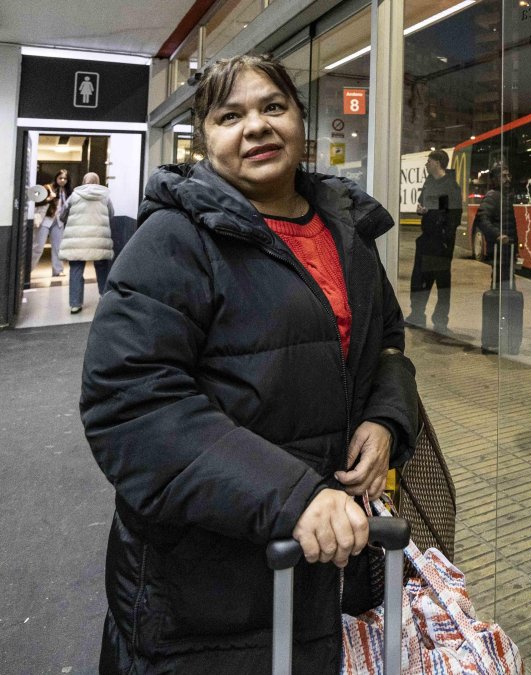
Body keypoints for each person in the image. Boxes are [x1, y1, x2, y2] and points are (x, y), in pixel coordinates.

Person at [80, 54, 420, 673]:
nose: (256, 126)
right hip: (205, 592)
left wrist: (385, 419)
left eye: (273, 107)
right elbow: (130, 406)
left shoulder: (346, 230)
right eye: (230, 116)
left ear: (300, 119)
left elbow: (388, 343)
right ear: (204, 140)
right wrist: (294, 497)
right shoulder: (174, 240)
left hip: (329, 564)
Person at [408, 149, 463, 331]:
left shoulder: (451, 186)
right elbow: (423, 202)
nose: (426, 164)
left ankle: (440, 321)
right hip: (427, 239)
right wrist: (421, 210)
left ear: (437, 163)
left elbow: (453, 215)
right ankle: (417, 315)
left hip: (441, 242)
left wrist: (445, 238)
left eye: (429, 161)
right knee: (420, 279)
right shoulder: (429, 182)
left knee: (442, 283)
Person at [59, 172, 115, 313]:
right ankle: (104, 296)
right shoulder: (104, 196)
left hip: (77, 238)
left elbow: (63, 214)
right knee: (102, 268)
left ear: (84, 181)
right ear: (98, 181)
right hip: (99, 237)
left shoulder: (75, 195)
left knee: (76, 269)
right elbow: (111, 214)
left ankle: (75, 304)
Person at [474, 162, 517, 265]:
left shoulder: (505, 196)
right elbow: (481, 219)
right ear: (495, 179)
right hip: (498, 250)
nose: (508, 179)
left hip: (507, 250)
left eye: (509, 176)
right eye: (504, 176)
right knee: (499, 274)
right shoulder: (492, 197)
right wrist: (497, 235)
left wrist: (515, 250)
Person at [31, 169, 69, 276]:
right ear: (56, 178)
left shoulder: (66, 191)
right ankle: (26, 271)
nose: (62, 180)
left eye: (65, 179)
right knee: (38, 247)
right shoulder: (46, 188)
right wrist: (48, 198)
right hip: (45, 220)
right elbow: (34, 200)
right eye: (60, 178)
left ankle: (58, 270)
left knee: (58, 247)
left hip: (58, 221)